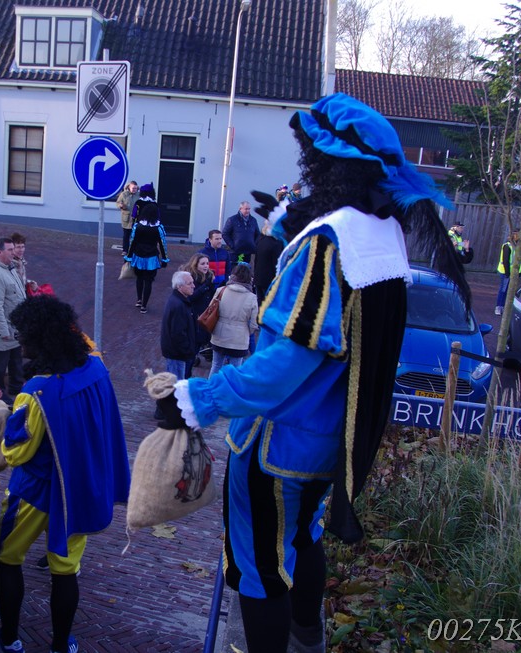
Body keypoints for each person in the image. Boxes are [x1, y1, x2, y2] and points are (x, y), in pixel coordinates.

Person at [168, 93, 469, 653]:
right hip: (327, 443)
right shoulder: (381, 238)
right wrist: (285, 226)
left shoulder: (328, 247)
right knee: (303, 539)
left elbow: (286, 362)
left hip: (274, 445)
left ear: (328, 164)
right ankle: (309, 639)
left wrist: (201, 397)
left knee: (260, 569)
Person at [0, 295, 130, 653]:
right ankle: (60, 645)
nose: (20, 343)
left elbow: (16, 452)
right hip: (78, 491)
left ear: (40, 338)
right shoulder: (96, 369)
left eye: (23, 335)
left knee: (8, 557)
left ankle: (10, 639)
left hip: (34, 491)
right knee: (66, 570)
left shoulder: (36, 392)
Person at [0, 237, 27, 399]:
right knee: (0, 363)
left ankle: (16, 390)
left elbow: (16, 290)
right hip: (5, 327)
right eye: (10, 250)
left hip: (15, 326)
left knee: (16, 360)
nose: (13, 252)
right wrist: (3, 331)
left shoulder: (9, 267)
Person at [208, 263, 258, 377]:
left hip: (219, 336)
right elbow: (253, 324)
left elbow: (210, 310)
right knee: (235, 371)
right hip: (239, 340)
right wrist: (246, 332)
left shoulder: (221, 291)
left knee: (216, 365)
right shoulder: (252, 298)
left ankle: (211, 387)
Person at [125, 183, 168, 314]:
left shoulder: (137, 227)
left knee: (139, 278)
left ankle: (138, 299)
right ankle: (144, 305)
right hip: (152, 257)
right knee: (148, 281)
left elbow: (132, 242)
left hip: (138, 255)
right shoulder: (158, 228)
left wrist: (128, 256)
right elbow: (162, 244)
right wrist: (164, 259)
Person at [160, 270, 196, 382]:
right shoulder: (179, 305)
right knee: (176, 386)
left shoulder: (178, 301)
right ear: (179, 286)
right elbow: (178, 333)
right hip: (177, 354)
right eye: (189, 283)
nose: (193, 286)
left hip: (176, 353)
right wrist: (187, 350)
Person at [182, 253, 215, 369]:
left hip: (206, 315)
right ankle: (189, 364)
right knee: (195, 341)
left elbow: (211, 296)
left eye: (207, 263)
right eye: (203, 264)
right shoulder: (191, 279)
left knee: (204, 339)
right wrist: (205, 286)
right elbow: (191, 297)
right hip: (194, 316)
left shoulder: (209, 277)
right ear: (195, 265)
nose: (206, 266)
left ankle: (201, 354)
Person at [253, 221, 284, 305]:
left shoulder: (260, 240)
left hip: (258, 279)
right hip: (270, 281)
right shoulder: (277, 243)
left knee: (260, 304)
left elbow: (256, 260)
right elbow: (277, 265)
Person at [495, 230, 521, 315]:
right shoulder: (507, 246)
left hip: (513, 272)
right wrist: (507, 273)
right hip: (505, 272)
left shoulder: (518, 246)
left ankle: (504, 307)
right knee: (503, 290)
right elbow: (505, 260)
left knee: (508, 290)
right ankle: (499, 307)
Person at [116, 180, 140, 255]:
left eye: (135, 188)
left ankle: (134, 250)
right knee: (126, 235)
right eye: (133, 188)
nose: (134, 190)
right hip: (126, 219)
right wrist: (121, 205)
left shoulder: (139, 195)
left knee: (136, 235)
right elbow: (118, 203)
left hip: (136, 218)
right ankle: (125, 250)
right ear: (129, 187)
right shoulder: (124, 194)